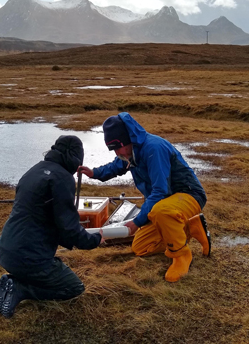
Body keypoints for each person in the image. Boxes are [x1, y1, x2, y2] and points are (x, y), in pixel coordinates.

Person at [78, 113, 211, 283]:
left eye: (118, 147)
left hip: (189, 196)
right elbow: (116, 166)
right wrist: (94, 173)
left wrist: (137, 221)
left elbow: (159, 191)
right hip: (165, 204)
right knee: (141, 247)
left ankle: (181, 255)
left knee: (160, 211)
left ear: (129, 139)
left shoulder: (154, 148)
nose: (117, 152)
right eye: (113, 149)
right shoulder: (132, 153)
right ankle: (191, 228)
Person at [0, 135, 103, 318]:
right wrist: (95, 240)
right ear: (75, 158)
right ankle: (21, 289)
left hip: (7, 251)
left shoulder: (34, 170)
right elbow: (69, 228)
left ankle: (15, 280)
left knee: (39, 267)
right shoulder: (62, 178)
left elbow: (50, 220)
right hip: (31, 257)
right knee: (74, 287)